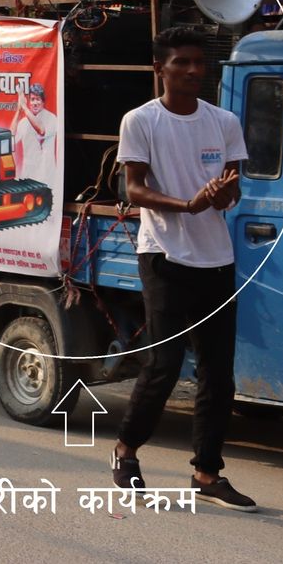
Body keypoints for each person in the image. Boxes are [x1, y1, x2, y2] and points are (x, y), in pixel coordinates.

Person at [110, 28, 254, 511]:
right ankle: (126, 451)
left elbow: (233, 191)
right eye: (182, 63)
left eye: (198, 62)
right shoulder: (141, 120)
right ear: (160, 68)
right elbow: (133, 189)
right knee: (163, 365)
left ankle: (207, 473)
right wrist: (188, 205)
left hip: (217, 260)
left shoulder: (225, 121)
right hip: (164, 256)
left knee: (219, 376)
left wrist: (220, 195)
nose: (194, 70)